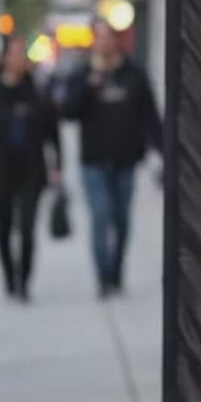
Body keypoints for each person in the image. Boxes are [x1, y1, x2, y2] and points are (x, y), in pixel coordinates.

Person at [62, 18, 161, 297]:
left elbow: (150, 115)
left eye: (108, 37)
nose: (104, 43)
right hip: (94, 161)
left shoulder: (134, 74)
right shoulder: (83, 74)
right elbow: (68, 111)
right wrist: (91, 83)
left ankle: (117, 272)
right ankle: (103, 277)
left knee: (121, 220)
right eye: (99, 37)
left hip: (126, 160)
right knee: (100, 216)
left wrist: (162, 151)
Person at [0, 34, 60, 301]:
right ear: (5, 57)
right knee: (4, 226)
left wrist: (58, 164)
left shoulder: (37, 90)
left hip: (31, 167)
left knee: (29, 229)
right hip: (0, 169)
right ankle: (9, 277)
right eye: (15, 53)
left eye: (24, 54)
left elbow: (51, 131)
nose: (20, 59)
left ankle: (24, 281)